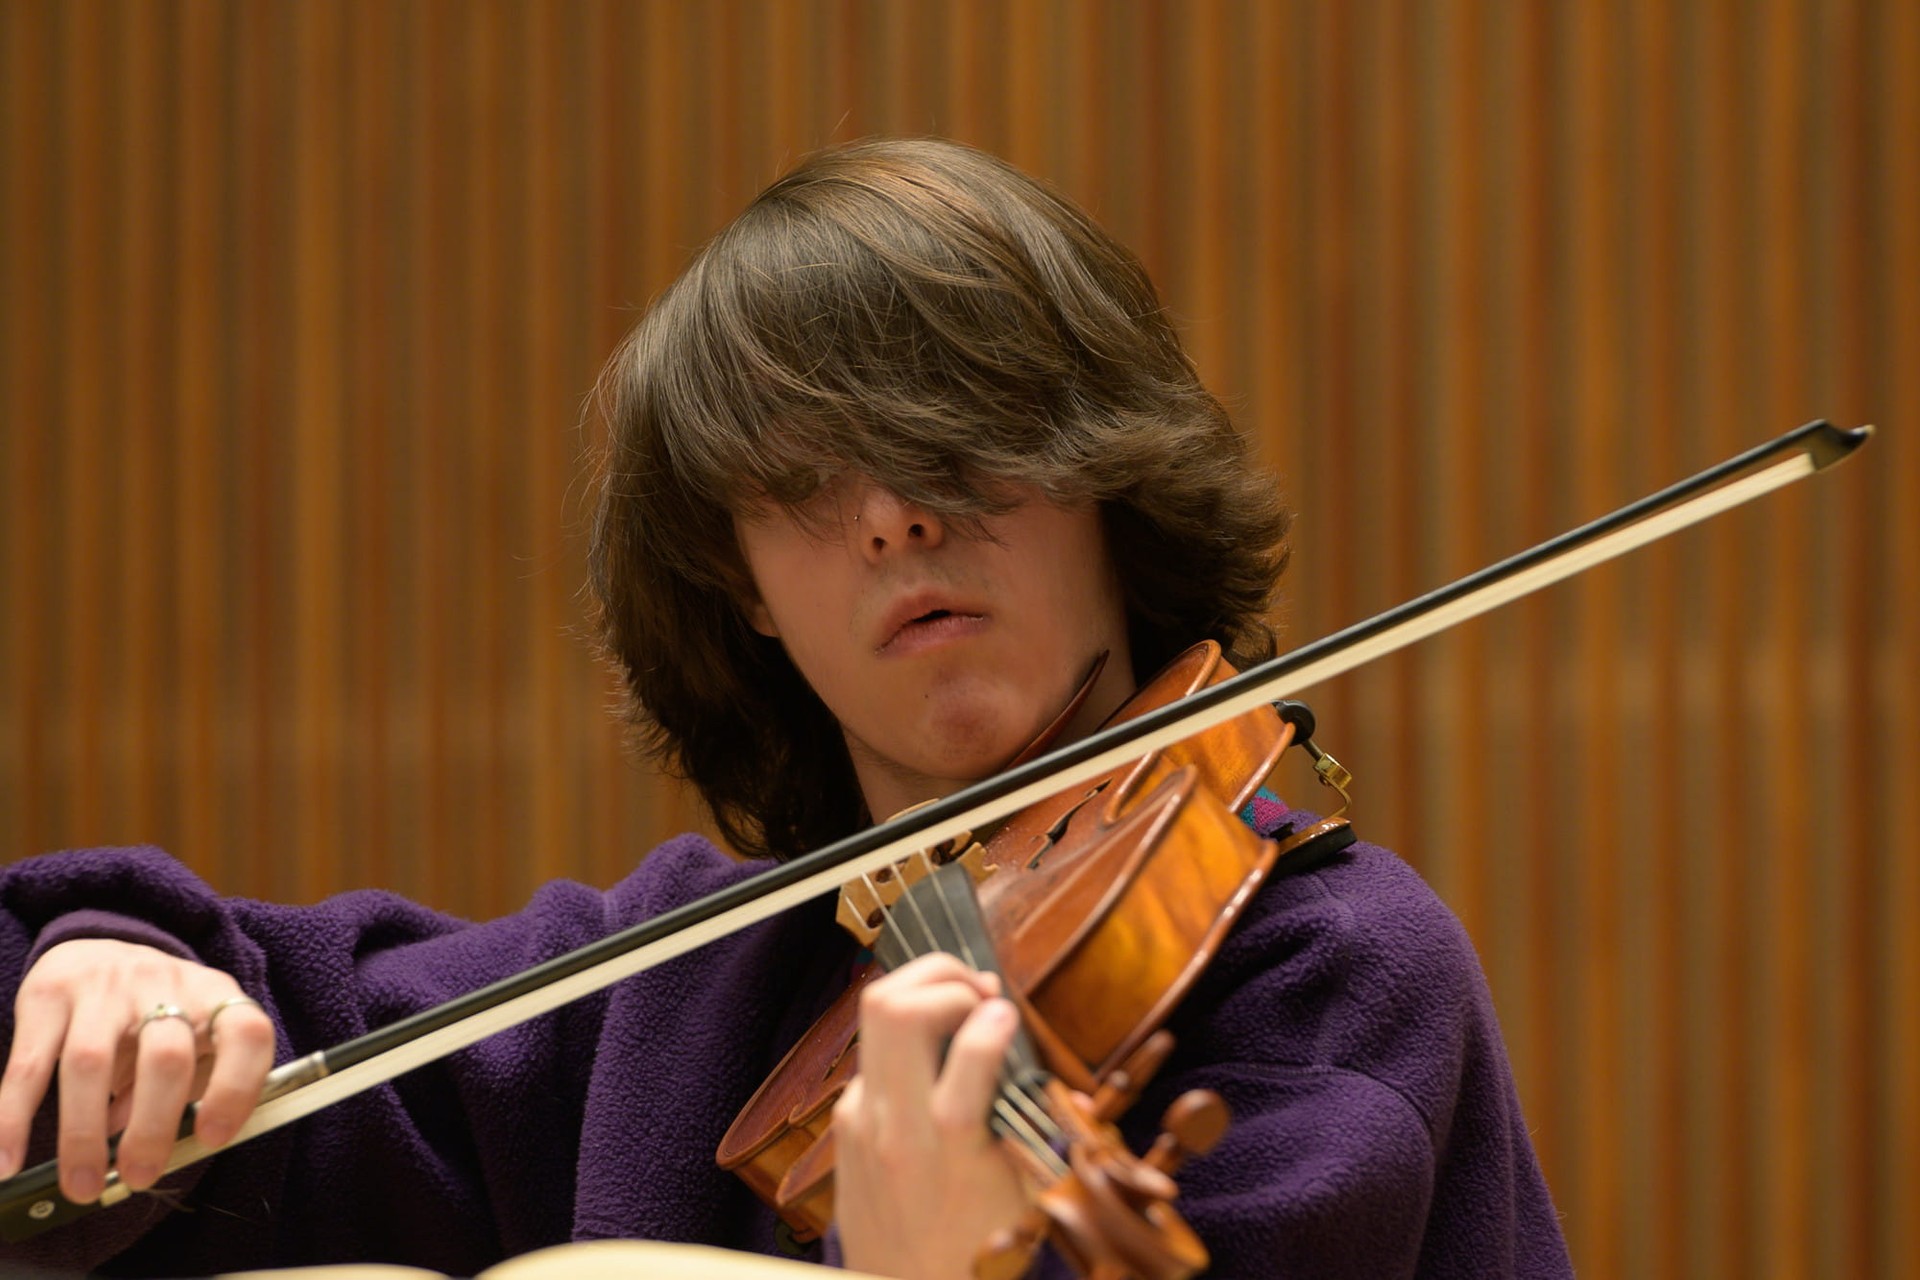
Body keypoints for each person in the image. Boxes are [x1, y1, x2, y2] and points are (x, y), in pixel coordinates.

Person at [0, 138, 1572, 1279]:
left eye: (952, 437)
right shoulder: (705, 981)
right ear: (744, 587)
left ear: (1107, 475)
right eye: (803, 485)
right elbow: (285, 1024)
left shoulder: (1326, 967)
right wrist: (117, 970)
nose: (890, 519)